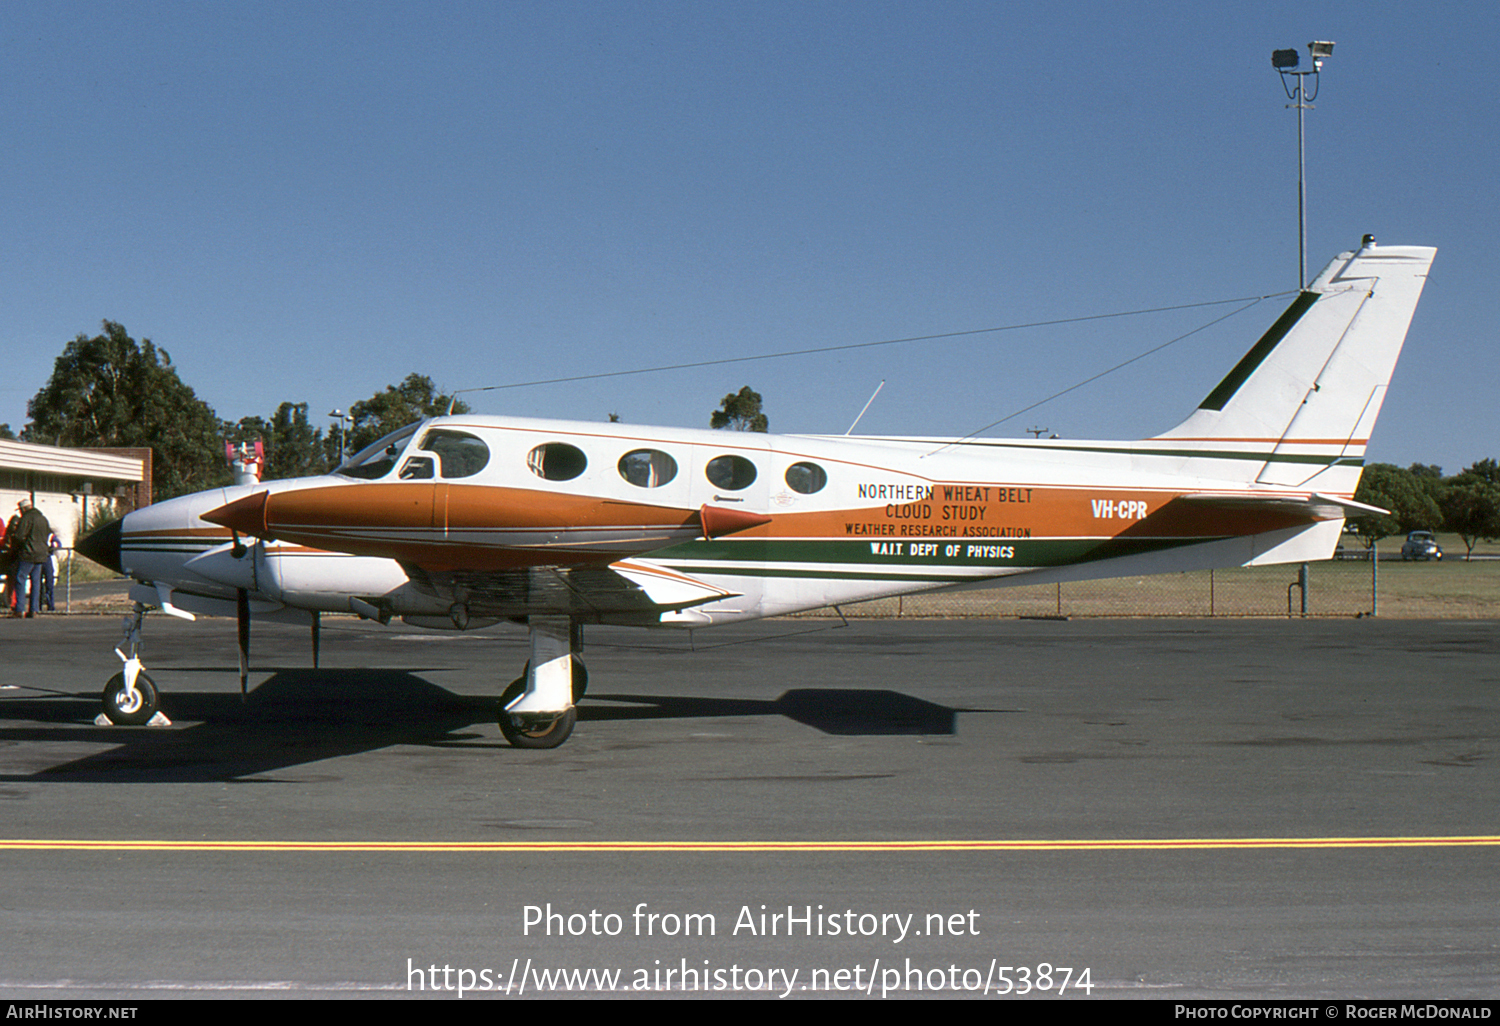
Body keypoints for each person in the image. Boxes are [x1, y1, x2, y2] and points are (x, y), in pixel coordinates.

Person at [12, 499, 54, 618]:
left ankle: (19, 609)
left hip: (28, 553)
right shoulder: (43, 518)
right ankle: (34, 610)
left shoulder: (26, 518)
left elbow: (19, 536)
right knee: (36, 582)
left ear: (23, 509)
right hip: (42, 554)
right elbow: (48, 535)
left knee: (20, 578)